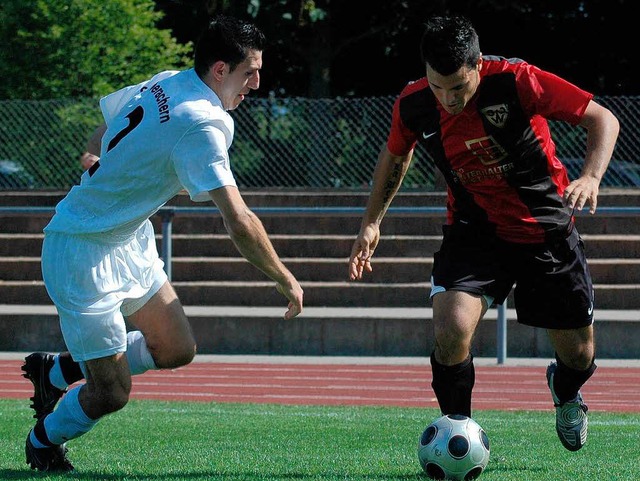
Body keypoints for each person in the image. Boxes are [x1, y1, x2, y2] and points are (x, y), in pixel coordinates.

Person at [22, 15, 304, 472]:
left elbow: (103, 131)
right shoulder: (205, 121)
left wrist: (105, 166)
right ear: (219, 70)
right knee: (111, 393)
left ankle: (53, 371)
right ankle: (42, 441)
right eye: (249, 71)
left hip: (129, 240)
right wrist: (284, 277)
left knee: (176, 349)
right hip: (81, 252)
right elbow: (238, 219)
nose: (256, 82)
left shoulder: (166, 81)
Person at [348, 15, 619, 452]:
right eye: (438, 86)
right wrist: (371, 222)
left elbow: (602, 119)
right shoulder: (414, 104)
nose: (448, 99)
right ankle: (459, 435)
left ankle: (566, 392)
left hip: (544, 228)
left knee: (580, 357)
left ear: (477, 65)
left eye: (458, 87)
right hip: (474, 232)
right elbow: (396, 157)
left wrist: (590, 176)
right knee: (451, 329)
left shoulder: (516, 81)